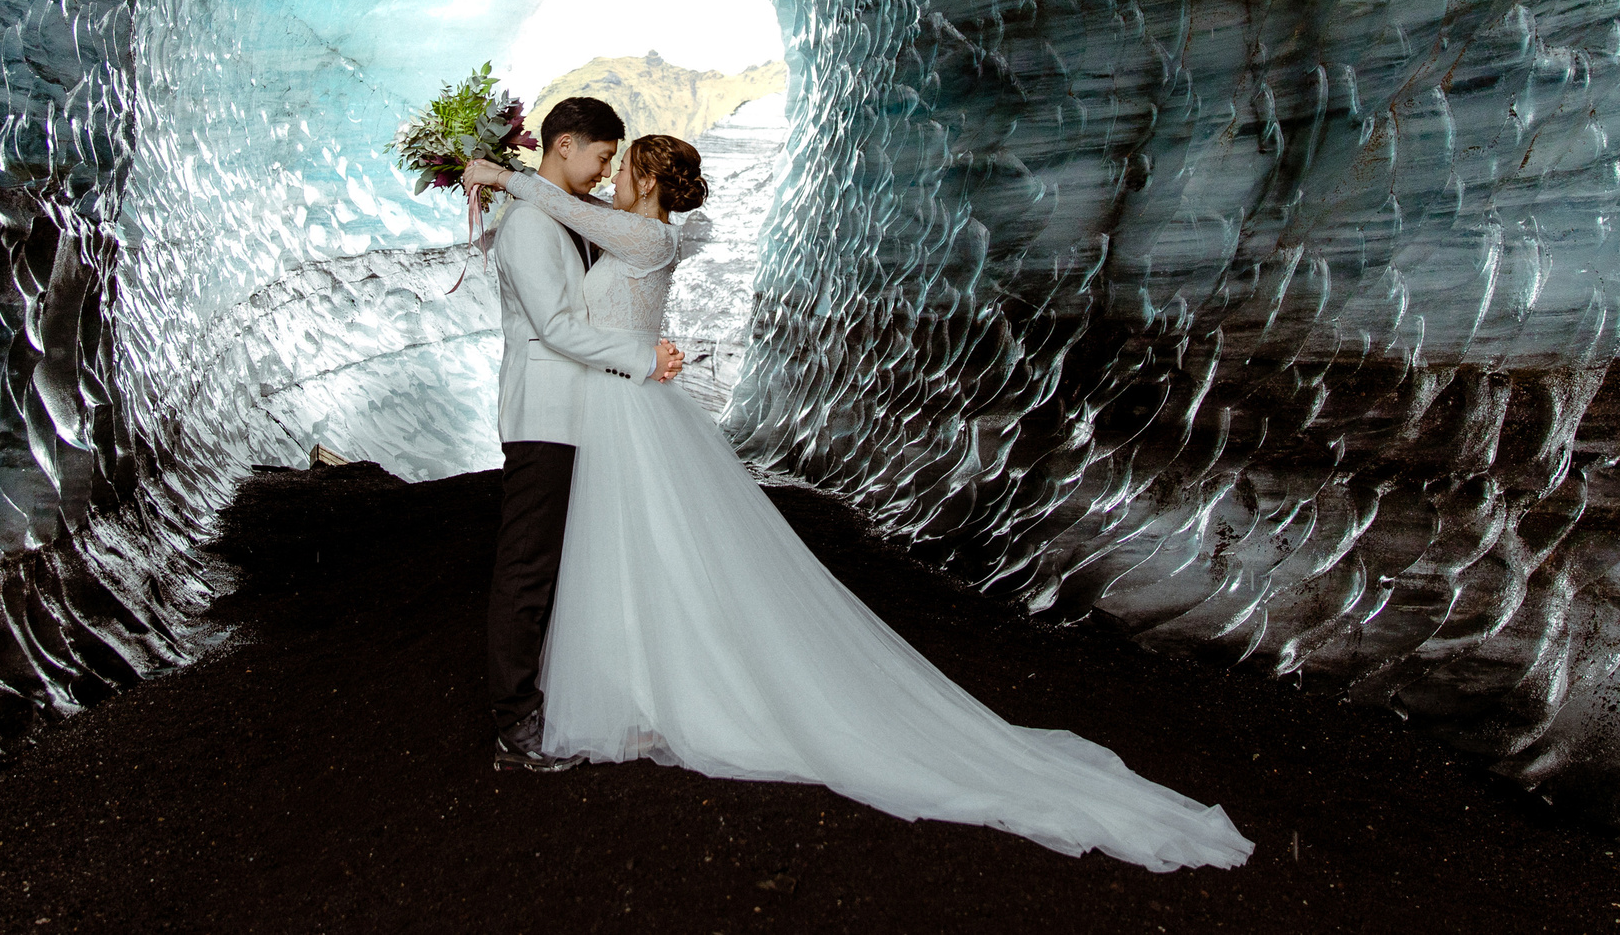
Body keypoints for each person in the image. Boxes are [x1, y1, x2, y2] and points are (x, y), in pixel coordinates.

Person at [461, 136, 1253, 871]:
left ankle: (668, 693)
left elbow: (572, 210)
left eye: (622, 164)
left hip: (629, 410)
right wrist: (512, 185)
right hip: (617, 408)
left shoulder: (650, 237)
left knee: (649, 550)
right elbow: (581, 215)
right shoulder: (635, 229)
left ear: (643, 180)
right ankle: (639, 690)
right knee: (626, 552)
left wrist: (505, 176)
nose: (612, 175)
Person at [483, 95, 684, 771]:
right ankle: (516, 725)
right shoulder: (529, 227)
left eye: (615, 163)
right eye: (602, 157)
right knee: (528, 569)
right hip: (544, 413)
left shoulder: (568, 217)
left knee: (574, 567)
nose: (605, 173)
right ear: (564, 144)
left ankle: (580, 706)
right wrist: (643, 357)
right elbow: (556, 328)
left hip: (581, 414)